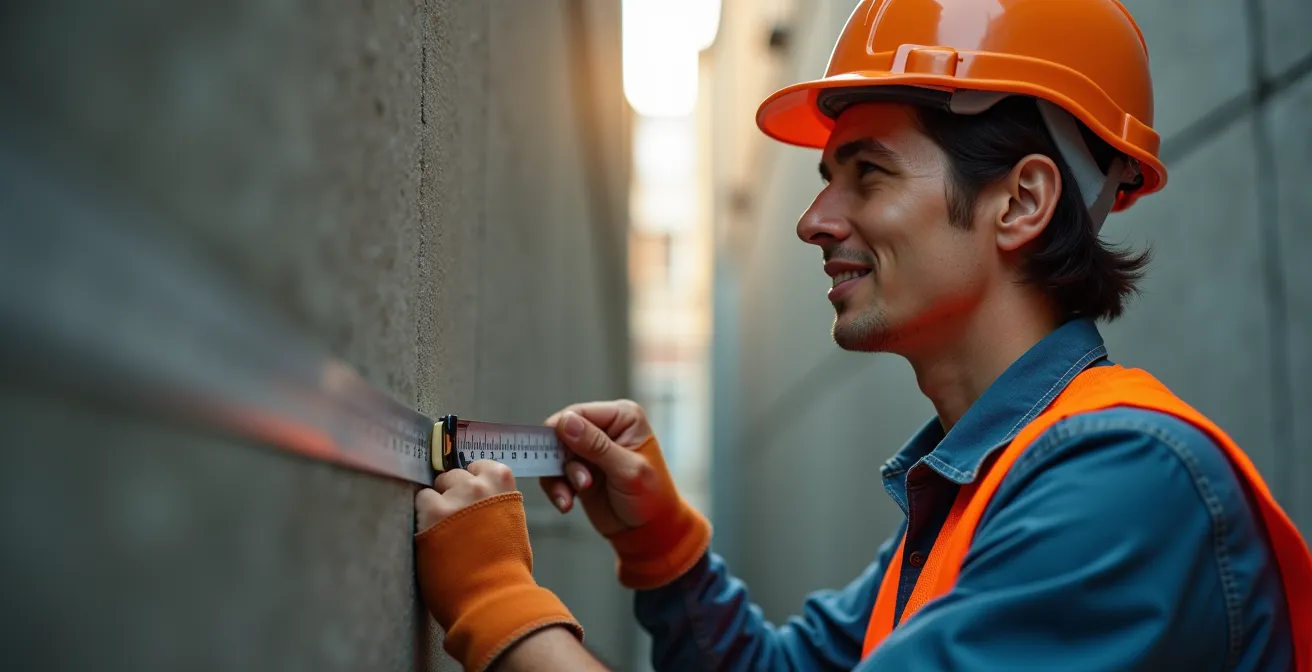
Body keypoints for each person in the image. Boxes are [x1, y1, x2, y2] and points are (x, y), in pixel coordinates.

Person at [412, 1, 1311, 670]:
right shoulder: (983, 486)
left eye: (867, 174)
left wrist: (498, 604)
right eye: (823, 179)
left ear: (1022, 202)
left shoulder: (1120, 488)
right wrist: (662, 544)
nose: (813, 221)